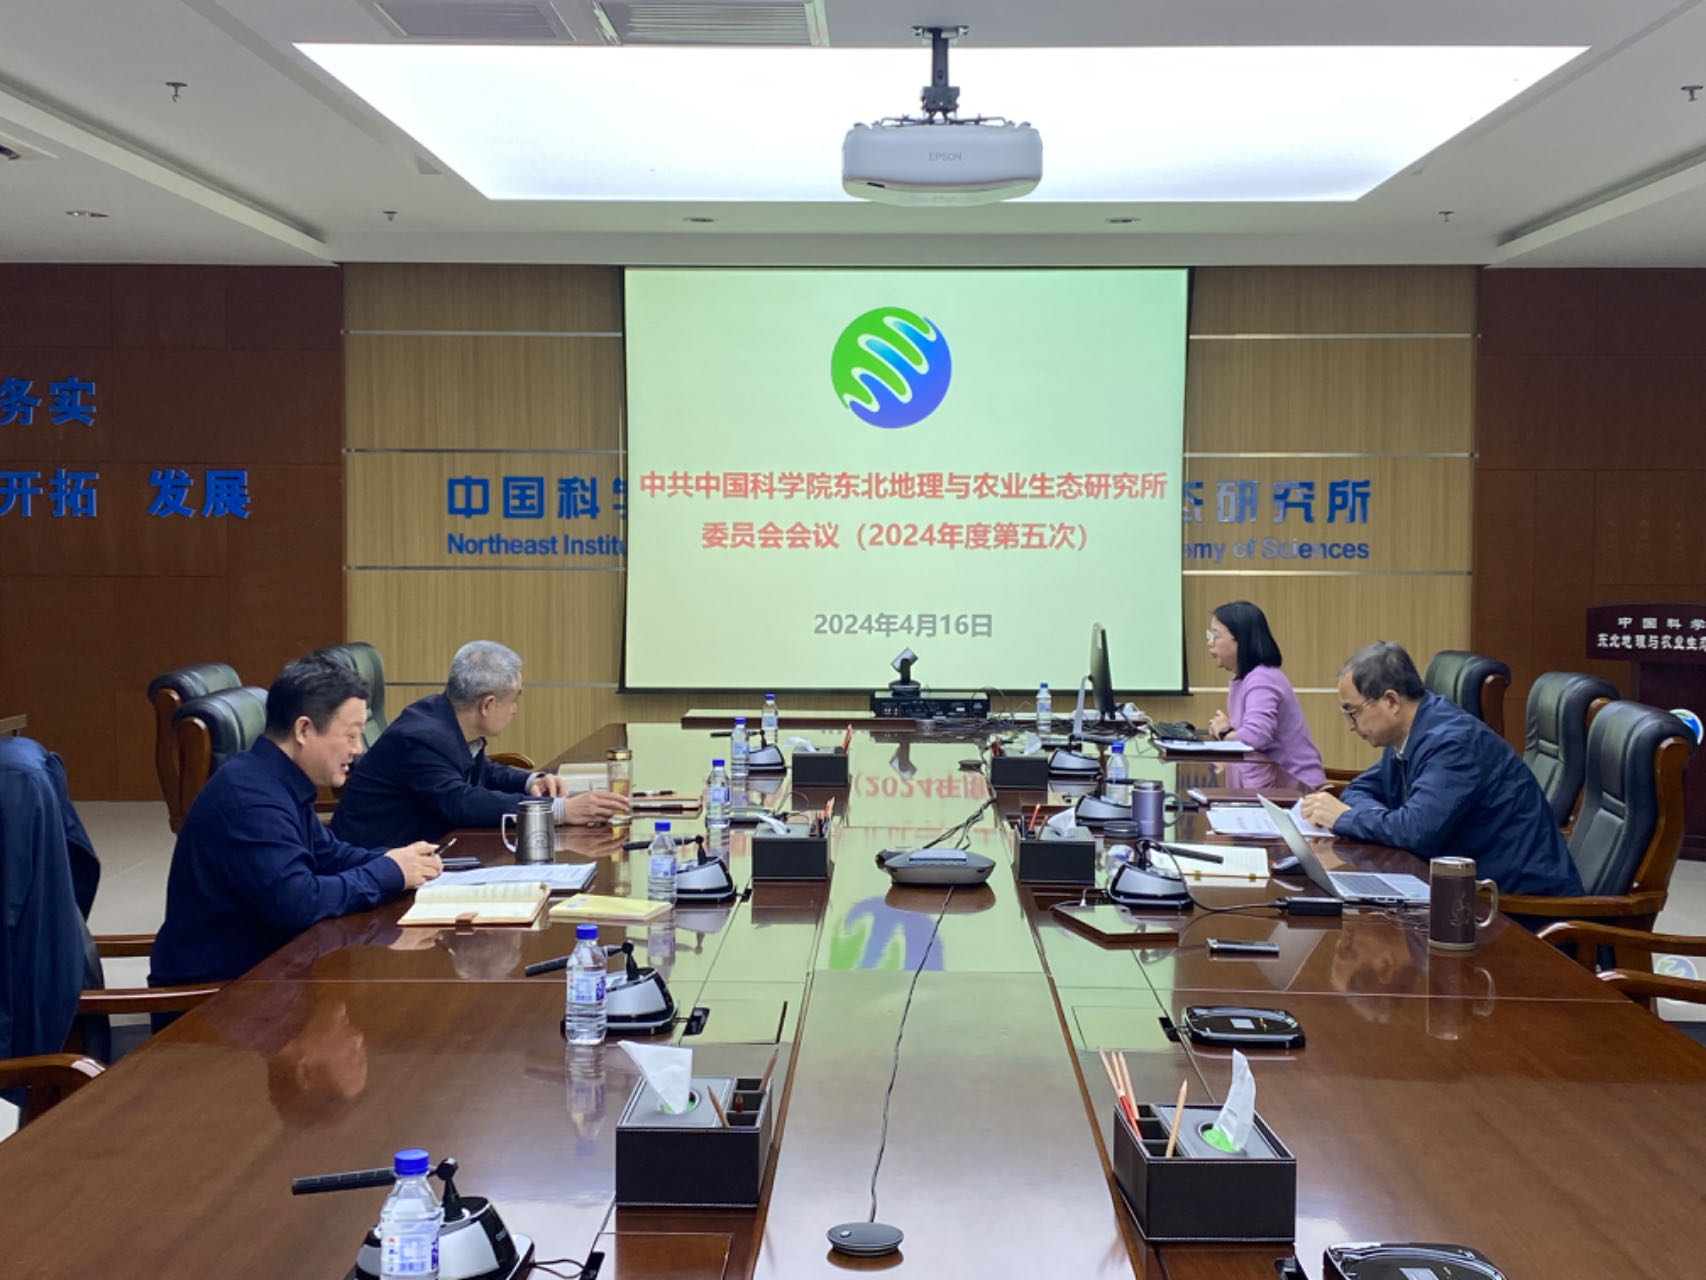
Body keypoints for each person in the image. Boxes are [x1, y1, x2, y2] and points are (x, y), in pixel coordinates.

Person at [150, 653, 442, 988]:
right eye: (350, 735)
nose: (358, 749)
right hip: (216, 997)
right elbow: (299, 903)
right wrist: (388, 872)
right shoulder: (251, 799)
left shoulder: (274, 778)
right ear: (304, 729)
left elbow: (329, 855)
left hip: (270, 975)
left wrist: (400, 860)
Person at [1298, 642, 1583, 897]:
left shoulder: (1452, 744)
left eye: (1353, 712)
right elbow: (1359, 790)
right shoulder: (1410, 733)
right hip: (1463, 890)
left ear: (1391, 701)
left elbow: (1415, 832)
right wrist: (1374, 818)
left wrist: (1346, 818)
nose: (1350, 726)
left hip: (1516, 906)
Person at [331, 640, 629, 848]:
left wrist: (530, 781)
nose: (515, 710)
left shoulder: (446, 716)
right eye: (514, 700)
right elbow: (462, 803)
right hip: (372, 865)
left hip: (423, 852)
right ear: (487, 704)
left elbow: (483, 771)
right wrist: (559, 810)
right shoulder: (422, 738)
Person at [1204, 601, 1326, 789]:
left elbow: (1256, 737)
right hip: (1275, 787)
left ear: (1241, 639)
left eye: (1216, 635)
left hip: (1297, 791)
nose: (1210, 642)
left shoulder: (1262, 678)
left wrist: (1224, 732)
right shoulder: (1243, 679)